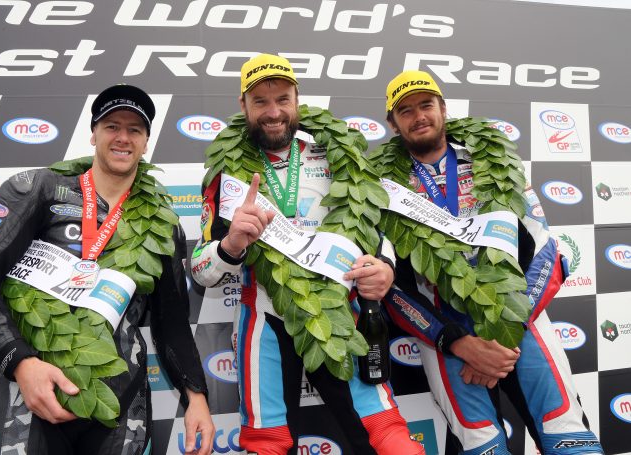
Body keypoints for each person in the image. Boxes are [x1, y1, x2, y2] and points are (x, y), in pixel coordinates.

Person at [0, 84, 214, 455]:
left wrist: (195, 396)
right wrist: (21, 364)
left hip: (120, 401)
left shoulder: (162, 223)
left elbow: (172, 324)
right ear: (94, 133)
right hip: (32, 393)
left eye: (134, 129)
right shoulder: (40, 189)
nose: (123, 137)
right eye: (112, 126)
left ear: (147, 141)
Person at [191, 53, 425, 455]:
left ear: (297, 99)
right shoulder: (226, 172)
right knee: (267, 445)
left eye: (282, 98)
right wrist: (230, 245)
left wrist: (384, 265)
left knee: (388, 438)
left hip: (339, 311)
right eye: (260, 102)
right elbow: (200, 270)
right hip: (265, 320)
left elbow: (376, 230)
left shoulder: (336, 154)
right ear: (242, 106)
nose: (273, 112)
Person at [377, 70, 603, 454]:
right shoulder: (383, 186)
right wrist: (459, 343)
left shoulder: (492, 159)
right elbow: (390, 287)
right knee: (482, 445)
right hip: (447, 333)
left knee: (567, 437)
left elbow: (548, 250)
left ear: (443, 109)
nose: (419, 117)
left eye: (426, 105)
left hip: (521, 319)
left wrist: (501, 334)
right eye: (406, 110)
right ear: (393, 124)